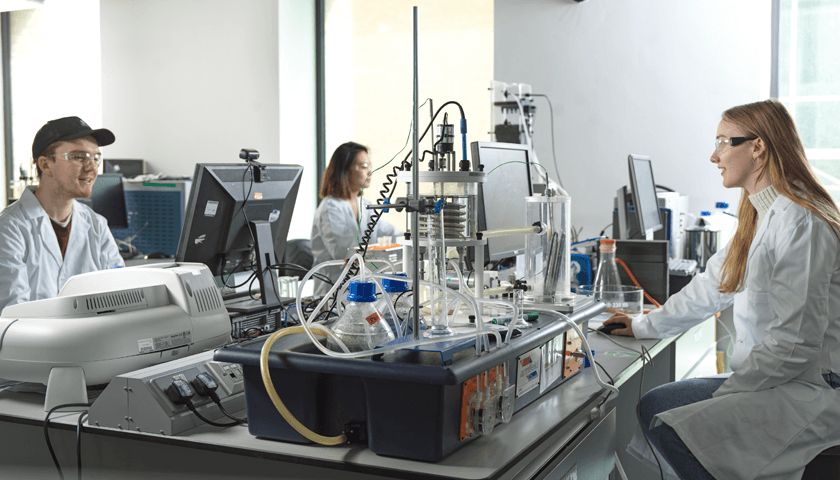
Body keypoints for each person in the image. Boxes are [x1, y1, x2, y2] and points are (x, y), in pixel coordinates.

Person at [602, 99, 840, 480]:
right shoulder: (762, 214)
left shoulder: (802, 223)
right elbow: (713, 286)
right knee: (656, 405)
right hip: (776, 378)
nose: (714, 156)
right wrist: (643, 324)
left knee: (670, 422)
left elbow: (795, 344)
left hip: (810, 387)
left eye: (723, 142)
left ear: (758, 147)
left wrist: (730, 395)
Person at [0, 116, 124, 313]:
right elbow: (14, 315)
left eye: (95, 157)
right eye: (78, 156)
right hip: (32, 343)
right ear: (45, 164)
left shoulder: (97, 225)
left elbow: (119, 297)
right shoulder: (9, 229)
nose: (92, 166)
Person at [311, 142, 401, 296]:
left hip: (364, 291)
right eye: (364, 165)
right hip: (335, 295)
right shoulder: (330, 208)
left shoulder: (365, 205)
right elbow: (348, 255)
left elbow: (391, 234)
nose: (370, 171)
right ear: (345, 170)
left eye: (369, 165)